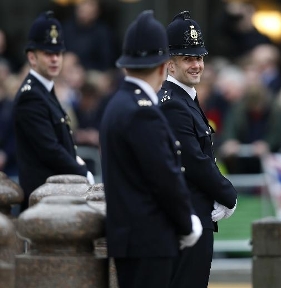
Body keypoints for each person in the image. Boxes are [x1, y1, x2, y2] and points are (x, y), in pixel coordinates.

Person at [99, 10, 202, 288]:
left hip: (130, 239)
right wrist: (186, 223)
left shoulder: (117, 104)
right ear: (162, 66)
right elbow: (164, 178)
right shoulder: (143, 111)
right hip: (150, 241)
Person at [158, 11, 238, 287]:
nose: (196, 65)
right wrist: (228, 194)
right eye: (187, 58)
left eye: (199, 57)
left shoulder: (183, 98)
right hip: (187, 218)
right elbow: (193, 159)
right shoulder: (173, 103)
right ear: (170, 64)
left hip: (192, 214)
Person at [13, 11, 94, 211]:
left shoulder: (44, 90)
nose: (55, 59)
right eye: (48, 54)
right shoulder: (30, 95)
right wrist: (82, 171)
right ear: (32, 57)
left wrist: (77, 162)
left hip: (54, 197)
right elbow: (49, 149)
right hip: (42, 203)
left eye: (58, 53)